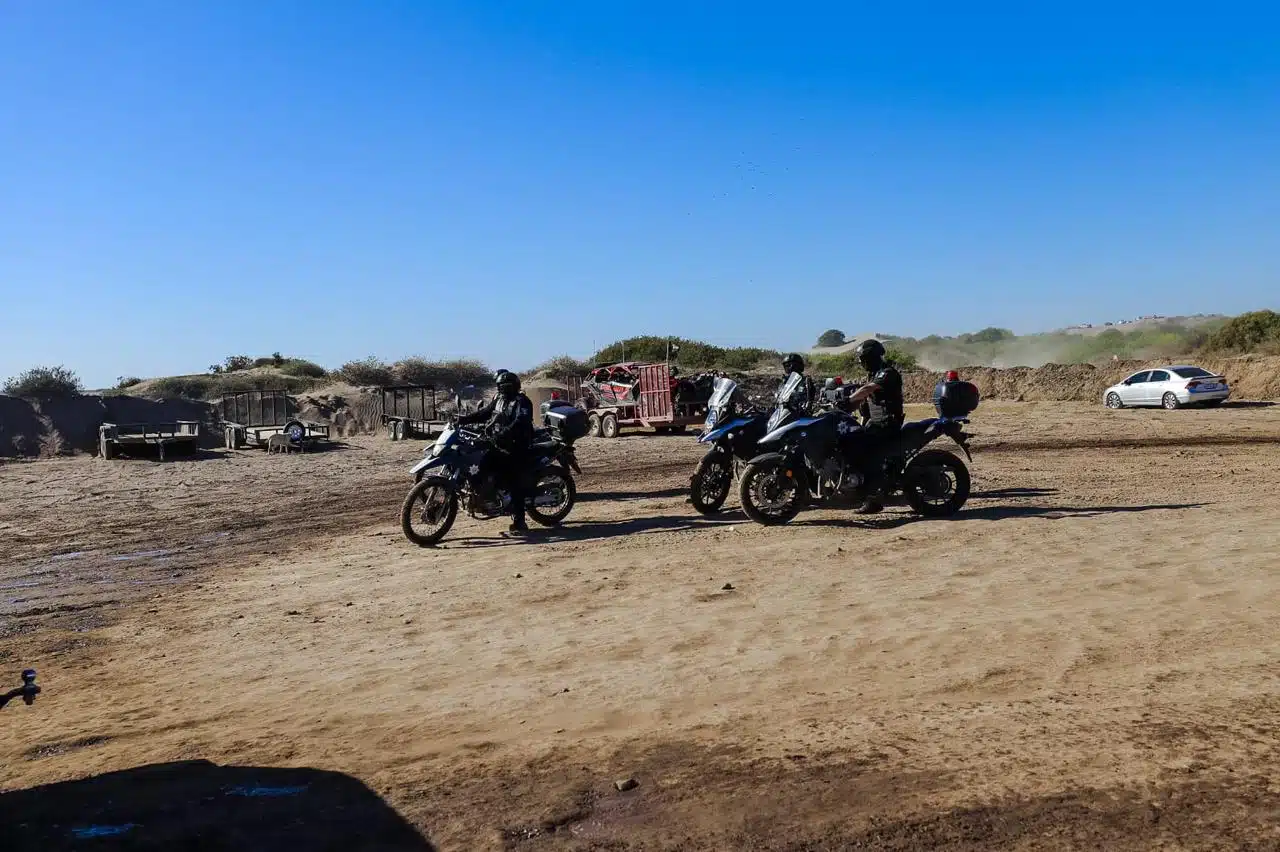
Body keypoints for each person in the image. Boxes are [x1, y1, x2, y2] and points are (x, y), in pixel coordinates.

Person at [457, 370, 535, 534]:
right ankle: (487, 497)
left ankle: (520, 520)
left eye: (504, 386)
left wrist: (503, 433)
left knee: (513, 479)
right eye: (499, 386)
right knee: (481, 464)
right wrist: (464, 420)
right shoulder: (499, 400)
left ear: (512, 386)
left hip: (517, 446)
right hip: (499, 443)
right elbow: (485, 413)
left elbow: (520, 422)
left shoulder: (522, 401)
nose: (501, 389)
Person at [841, 339, 905, 514]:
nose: (861, 363)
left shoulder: (887, 373)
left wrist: (848, 399)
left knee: (863, 451)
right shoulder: (873, 373)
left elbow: (868, 389)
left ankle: (874, 497)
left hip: (888, 422)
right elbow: (864, 401)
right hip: (875, 422)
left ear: (872, 357)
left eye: (863, 359)